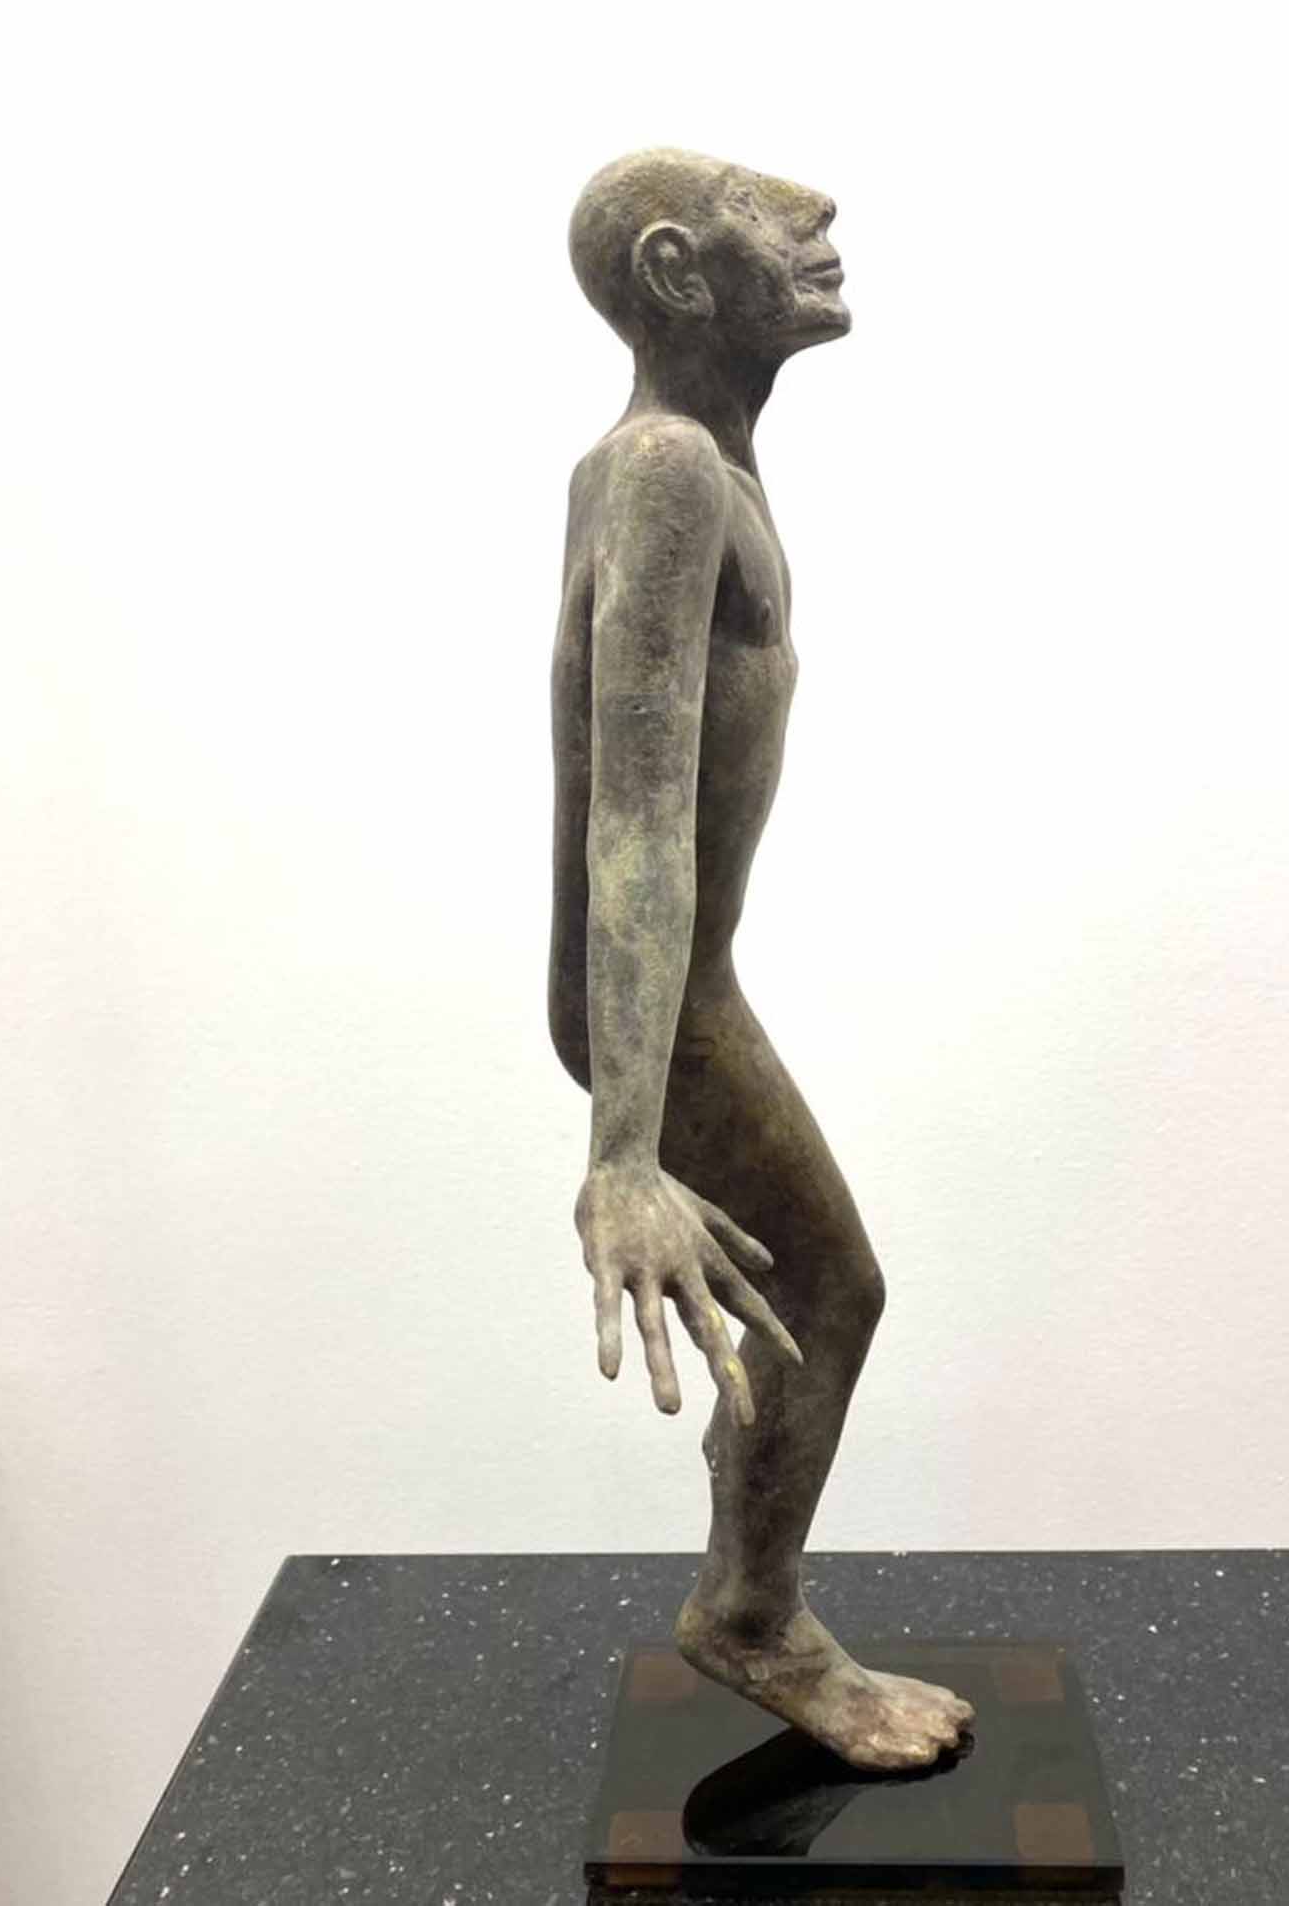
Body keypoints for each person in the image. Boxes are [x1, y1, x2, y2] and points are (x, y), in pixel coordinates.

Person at [549, 148, 973, 1770]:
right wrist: (622, 1153)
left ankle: (749, 1594)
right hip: (660, 997)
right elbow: (633, 817)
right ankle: (751, 1614)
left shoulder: (693, 466)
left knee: (823, 1287)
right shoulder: (662, 470)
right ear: (676, 272)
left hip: (677, 985)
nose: (819, 216)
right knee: (835, 1285)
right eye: (762, 208)